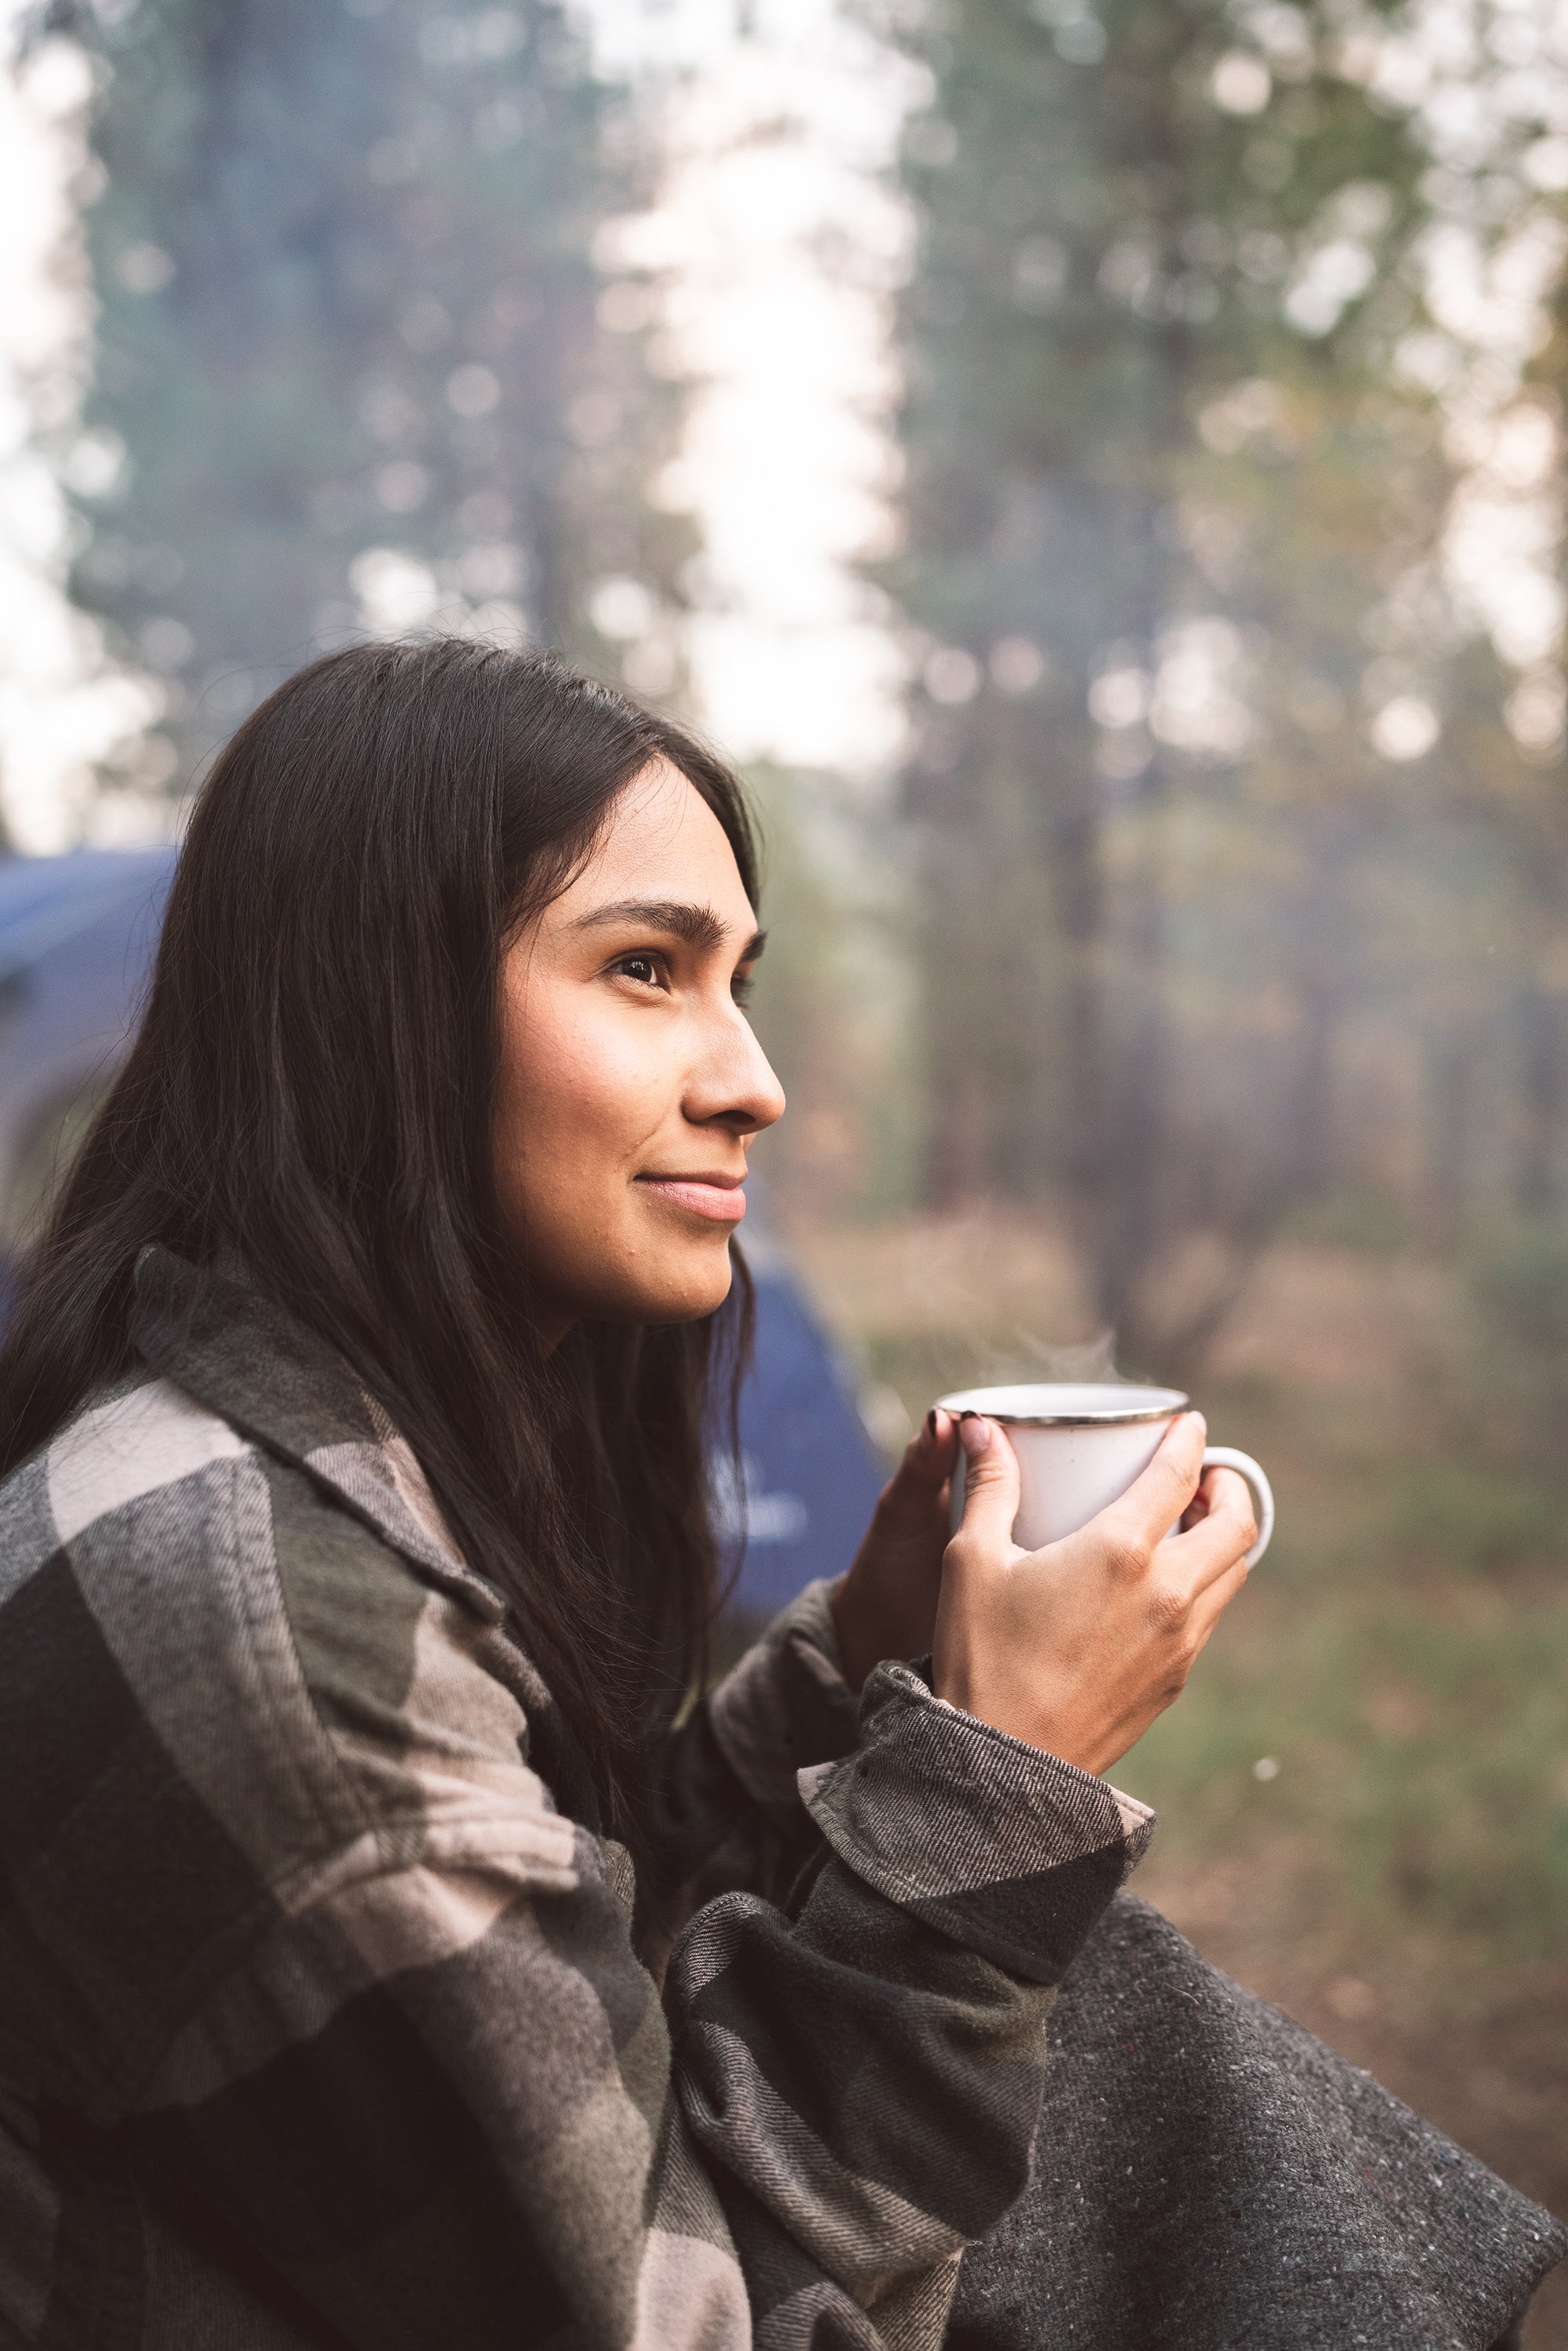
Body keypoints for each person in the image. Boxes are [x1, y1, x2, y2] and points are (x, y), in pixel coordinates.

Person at [0, 639, 1557, 2351]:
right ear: (377, 1005)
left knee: (1103, 2020)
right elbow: (722, 2321)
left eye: (739, 979)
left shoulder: (280, 1450)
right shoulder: (267, 1624)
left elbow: (559, 1927)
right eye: (645, 969)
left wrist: (859, 1665)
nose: (754, 1080)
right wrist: (988, 1796)